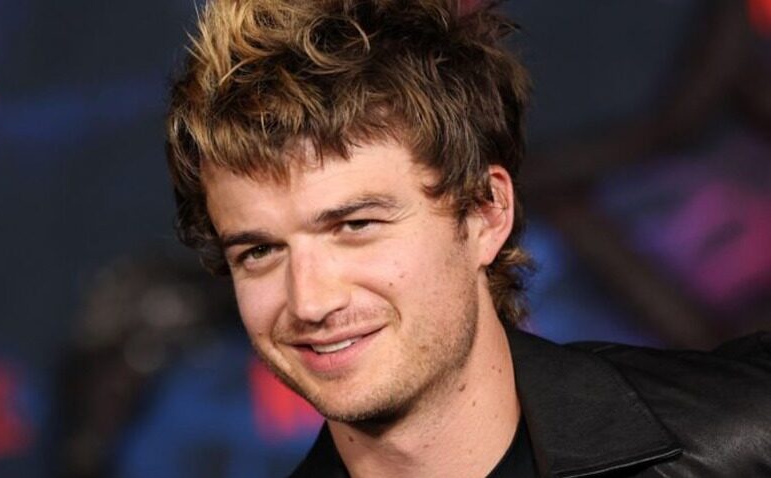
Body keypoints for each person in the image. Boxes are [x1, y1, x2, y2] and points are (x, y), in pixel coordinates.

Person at [163, 0, 771, 476]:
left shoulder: (741, 445)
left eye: (355, 226)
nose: (311, 301)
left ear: (485, 212)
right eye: (260, 251)